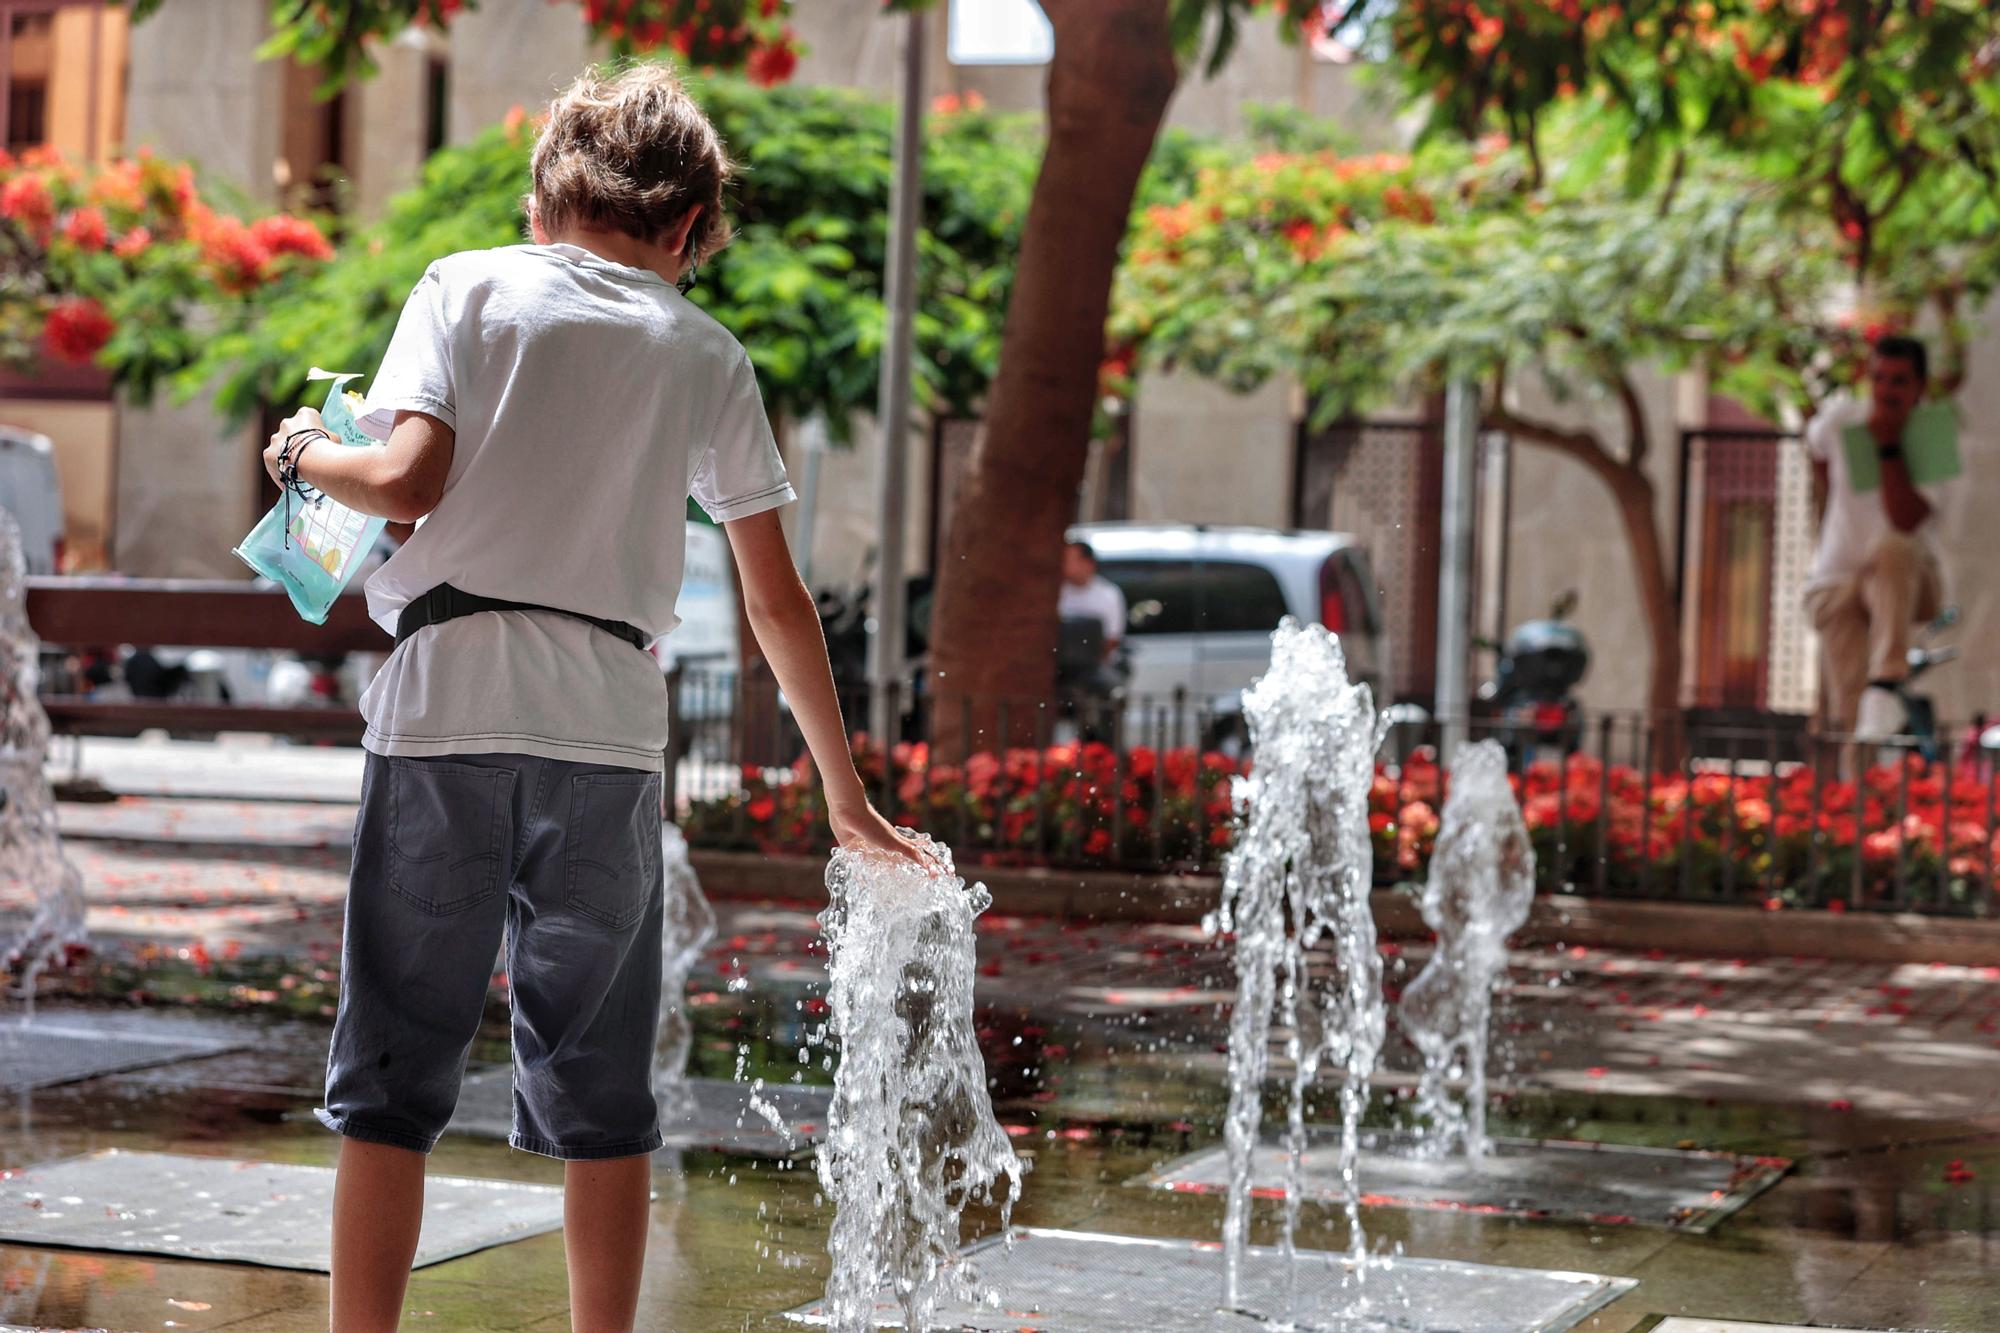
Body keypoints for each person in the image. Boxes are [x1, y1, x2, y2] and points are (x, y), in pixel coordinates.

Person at [261, 65, 929, 1333]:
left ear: (539, 200)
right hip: (610, 738)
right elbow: (775, 602)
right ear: (687, 229)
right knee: (602, 1091)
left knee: (392, 1078)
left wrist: (302, 449)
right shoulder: (705, 351)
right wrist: (846, 796)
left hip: (444, 711)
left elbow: (403, 481)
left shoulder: (467, 284)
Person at [1804, 335, 1956, 738]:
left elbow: (1905, 519)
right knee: (1855, 720)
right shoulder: (1841, 421)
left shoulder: (1934, 436)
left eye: (1899, 381)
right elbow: (1815, 448)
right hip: (1837, 584)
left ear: (1920, 387)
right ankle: (1860, 793)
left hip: (1908, 580)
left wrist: (1888, 445)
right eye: (1880, 379)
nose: (1886, 391)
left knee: (1892, 546)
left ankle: (1888, 676)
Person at [1057, 540, 1125, 665]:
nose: (1063, 564)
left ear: (1088, 563)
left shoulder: (1109, 594)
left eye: (1069, 560)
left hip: (1097, 666)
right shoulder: (1056, 592)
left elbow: (1113, 638)